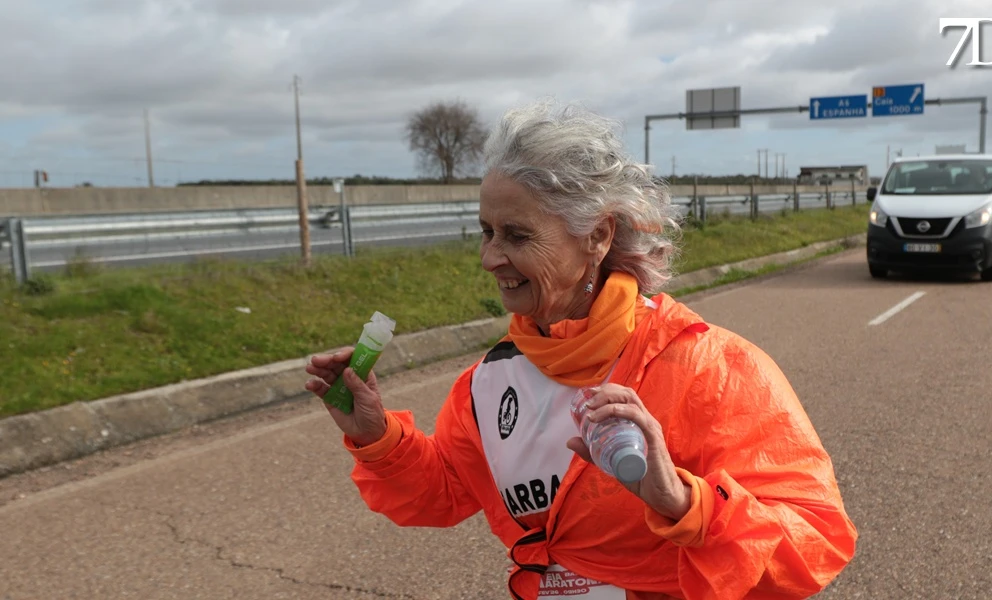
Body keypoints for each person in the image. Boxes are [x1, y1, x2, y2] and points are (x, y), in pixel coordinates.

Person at [305, 99, 858, 599]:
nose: (490, 257)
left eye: (517, 236)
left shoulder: (712, 367)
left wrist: (685, 504)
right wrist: (374, 435)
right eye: (485, 232)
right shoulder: (490, 382)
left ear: (598, 236)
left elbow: (817, 542)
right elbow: (445, 491)